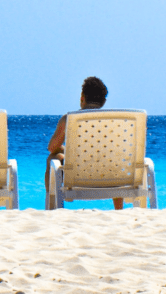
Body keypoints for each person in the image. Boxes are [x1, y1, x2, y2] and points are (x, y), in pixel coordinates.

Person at [45, 76, 126, 210]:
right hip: (110, 178)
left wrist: (64, 150)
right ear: (104, 101)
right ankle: (119, 210)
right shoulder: (115, 122)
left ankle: (53, 208)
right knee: (114, 159)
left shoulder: (68, 119)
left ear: (82, 97)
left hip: (77, 177)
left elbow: (51, 147)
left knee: (54, 157)